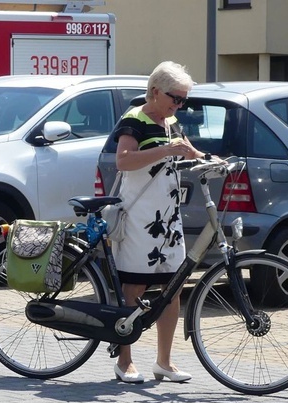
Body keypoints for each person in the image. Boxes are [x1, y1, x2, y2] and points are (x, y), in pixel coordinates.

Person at [111, 61, 205, 384]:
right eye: (175, 98)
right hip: (140, 218)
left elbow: (187, 152)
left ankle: (164, 361)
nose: (178, 106)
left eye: (183, 101)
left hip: (168, 218)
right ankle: (125, 361)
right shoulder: (134, 119)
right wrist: (168, 149)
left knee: (172, 287)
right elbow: (122, 161)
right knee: (134, 287)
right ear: (154, 92)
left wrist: (206, 159)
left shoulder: (172, 123)